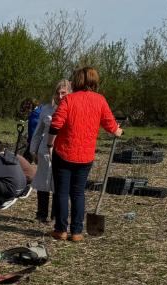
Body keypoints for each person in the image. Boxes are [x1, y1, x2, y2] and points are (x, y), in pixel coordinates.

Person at [47, 67, 122, 242]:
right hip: (85, 155)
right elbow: (111, 125)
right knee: (78, 193)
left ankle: (61, 230)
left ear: (77, 81)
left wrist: (49, 143)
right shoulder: (100, 100)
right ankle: (77, 232)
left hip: (64, 152)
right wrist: (118, 131)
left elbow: (56, 124)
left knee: (62, 192)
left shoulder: (69, 100)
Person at [29, 80, 72, 223]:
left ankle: (55, 215)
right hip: (45, 150)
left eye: (63, 93)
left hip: (62, 150)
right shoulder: (46, 110)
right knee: (43, 182)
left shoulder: (72, 109)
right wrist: (33, 150)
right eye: (57, 93)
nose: (60, 96)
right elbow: (38, 131)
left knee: (58, 183)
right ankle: (41, 213)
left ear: (69, 93)